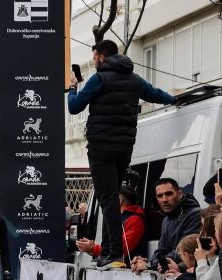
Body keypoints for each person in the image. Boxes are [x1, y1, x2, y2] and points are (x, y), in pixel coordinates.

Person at [68, 39, 175, 264]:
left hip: (101, 147)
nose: (94, 61)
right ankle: (108, 250)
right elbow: (155, 94)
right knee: (111, 198)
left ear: (102, 57)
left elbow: (74, 106)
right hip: (124, 148)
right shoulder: (134, 79)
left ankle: (113, 252)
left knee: (107, 200)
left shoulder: (99, 78)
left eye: (94, 57)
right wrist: (175, 100)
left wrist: (73, 87)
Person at [133, 178, 201, 274]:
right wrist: (146, 262)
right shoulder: (166, 220)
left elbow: (185, 250)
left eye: (169, 194)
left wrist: (150, 265)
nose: (164, 199)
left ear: (180, 194)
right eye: (160, 196)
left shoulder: (195, 214)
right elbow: (161, 250)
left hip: (190, 275)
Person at [75, 185, 146, 263]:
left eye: (111, 199)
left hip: (129, 268)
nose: (109, 203)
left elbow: (122, 249)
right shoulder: (121, 218)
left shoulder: (134, 220)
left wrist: (94, 248)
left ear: (120, 200)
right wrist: (93, 249)